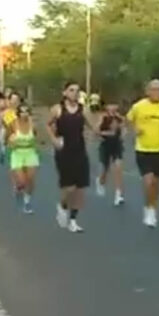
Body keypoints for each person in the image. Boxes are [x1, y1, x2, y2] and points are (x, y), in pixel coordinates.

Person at [126, 79, 159, 228]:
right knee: (149, 181)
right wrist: (134, 129)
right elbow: (128, 120)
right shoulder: (139, 106)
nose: (157, 92)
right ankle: (148, 209)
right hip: (143, 149)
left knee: (158, 183)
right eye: (154, 89)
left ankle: (153, 207)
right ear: (147, 91)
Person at [46, 81, 95, 233]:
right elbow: (47, 125)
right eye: (71, 90)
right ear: (65, 92)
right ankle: (62, 205)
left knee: (80, 189)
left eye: (77, 91)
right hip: (64, 151)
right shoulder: (57, 109)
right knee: (69, 188)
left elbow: (92, 126)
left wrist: (96, 134)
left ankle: (73, 220)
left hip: (79, 150)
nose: (75, 93)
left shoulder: (83, 110)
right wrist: (54, 139)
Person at [7, 104, 40, 214]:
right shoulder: (13, 124)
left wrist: (38, 145)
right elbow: (6, 138)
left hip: (30, 153)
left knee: (30, 181)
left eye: (26, 112)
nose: (24, 114)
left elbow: (36, 137)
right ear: (18, 114)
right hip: (17, 153)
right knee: (22, 181)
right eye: (22, 112)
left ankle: (27, 202)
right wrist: (10, 144)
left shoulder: (33, 124)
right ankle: (18, 189)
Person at [95, 101, 125, 206]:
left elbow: (123, 128)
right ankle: (100, 181)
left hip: (117, 145)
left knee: (118, 168)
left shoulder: (119, 118)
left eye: (114, 106)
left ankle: (118, 195)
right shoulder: (102, 118)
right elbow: (96, 131)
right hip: (105, 145)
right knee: (105, 169)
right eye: (110, 105)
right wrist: (107, 133)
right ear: (107, 107)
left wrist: (122, 133)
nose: (113, 108)